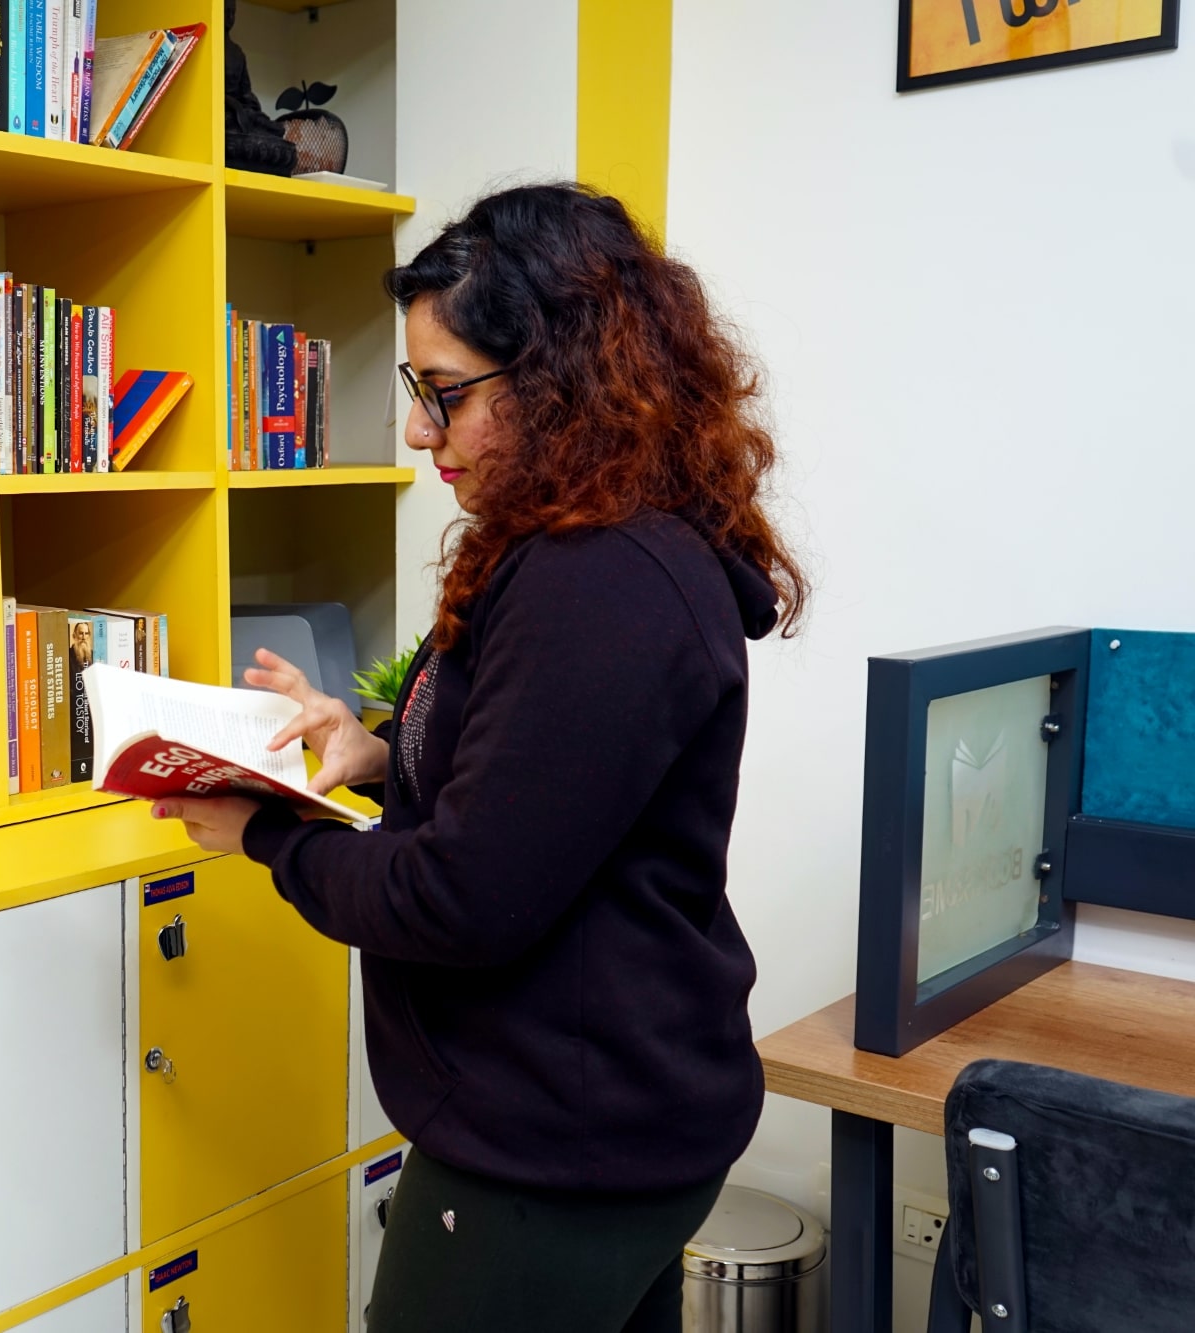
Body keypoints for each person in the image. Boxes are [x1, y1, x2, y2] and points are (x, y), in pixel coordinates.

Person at [153, 183, 808, 1331]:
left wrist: (266, 834)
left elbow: (460, 898)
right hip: (600, 1113)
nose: (418, 431)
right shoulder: (581, 548)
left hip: (555, 1144)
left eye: (443, 392)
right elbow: (545, 789)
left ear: (562, 380)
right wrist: (369, 753)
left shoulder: (598, 580)